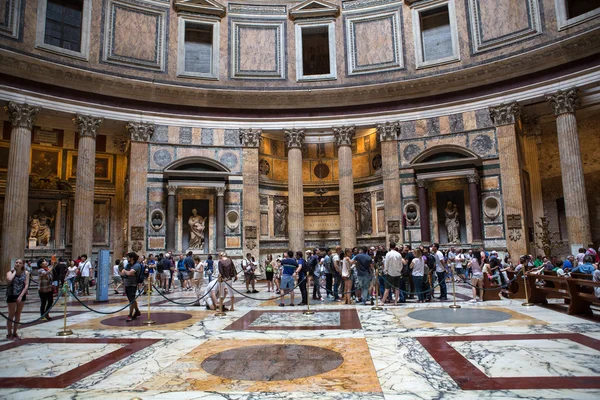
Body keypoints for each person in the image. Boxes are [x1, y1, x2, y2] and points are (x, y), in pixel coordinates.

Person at [6, 259, 29, 340]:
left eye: (20, 263)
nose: (18, 264)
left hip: (21, 295)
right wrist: (15, 272)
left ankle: (15, 332)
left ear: (23, 264)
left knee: (18, 314)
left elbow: (26, 285)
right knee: (11, 314)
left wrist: (20, 296)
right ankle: (9, 333)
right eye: (16, 262)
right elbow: (9, 280)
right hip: (11, 294)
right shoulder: (10, 272)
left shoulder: (26, 273)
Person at [120, 252, 142, 322]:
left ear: (132, 258)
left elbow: (129, 273)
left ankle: (130, 315)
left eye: (128, 257)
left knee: (131, 300)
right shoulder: (128, 265)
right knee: (131, 299)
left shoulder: (137, 265)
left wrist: (126, 272)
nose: (127, 258)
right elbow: (123, 273)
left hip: (133, 284)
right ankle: (137, 311)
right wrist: (126, 272)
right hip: (127, 283)